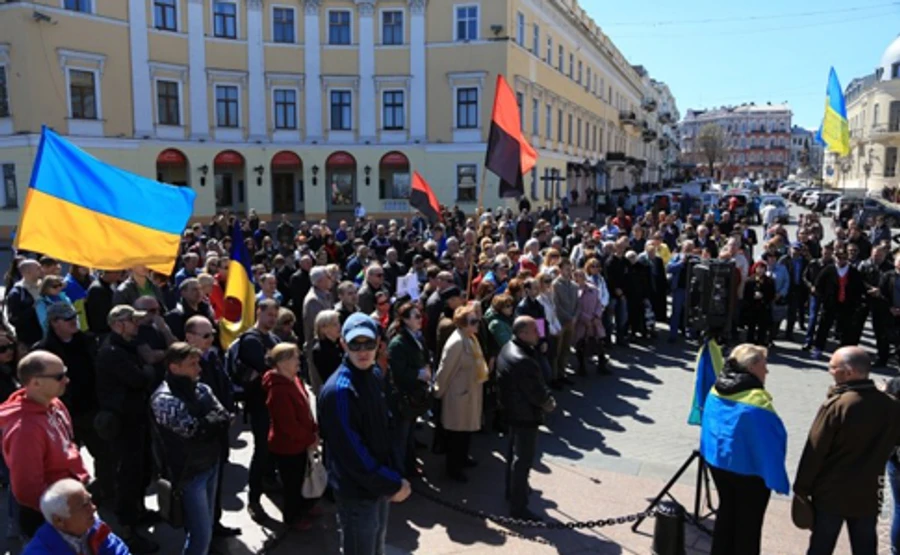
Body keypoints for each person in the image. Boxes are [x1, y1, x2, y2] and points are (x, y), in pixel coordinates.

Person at [317, 313, 411, 554]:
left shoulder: (374, 374)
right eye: (354, 344)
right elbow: (352, 454)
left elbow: (385, 428)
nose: (362, 351)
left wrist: (392, 474)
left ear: (378, 342)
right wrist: (390, 482)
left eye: (368, 343)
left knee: (376, 545)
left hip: (377, 485)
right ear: (343, 344)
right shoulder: (339, 391)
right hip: (357, 492)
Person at [793, 346, 900, 554]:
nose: (830, 371)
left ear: (849, 372)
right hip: (869, 492)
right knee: (865, 545)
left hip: (831, 494)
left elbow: (814, 452)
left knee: (821, 546)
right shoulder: (892, 407)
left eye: (833, 367)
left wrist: (802, 490)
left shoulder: (838, 406)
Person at [699, 344, 789, 555]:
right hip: (749, 474)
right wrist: (776, 477)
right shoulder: (756, 400)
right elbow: (772, 442)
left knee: (726, 513)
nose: (766, 371)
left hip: (719, 464)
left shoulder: (716, 388)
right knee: (749, 527)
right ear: (752, 367)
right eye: (764, 365)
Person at [150, 343, 230, 555]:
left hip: (211, 463)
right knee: (200, 536)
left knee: (207, 526)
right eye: (192, 364)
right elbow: (192, 430)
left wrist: (208, 423)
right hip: (189, 474)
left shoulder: (201, 388)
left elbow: (225, 417)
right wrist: (210, 423)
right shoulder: (165, 399)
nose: (199, 368)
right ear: (175, 368)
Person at [0, 351, 90, 538]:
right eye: (59, 376)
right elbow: (27, 490)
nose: (67, 380)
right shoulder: (25, 429)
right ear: (35, 383)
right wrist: (65, 516)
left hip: (71, 504)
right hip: (53, 519)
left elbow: (68, 444)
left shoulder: (55, 404)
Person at [94, 305, 159, 553]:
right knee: (128, 475)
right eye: (132, 321)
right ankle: (128, 529)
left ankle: (139, 511)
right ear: (118, 324)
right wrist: (147, 370)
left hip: (137, 418)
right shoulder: (111, 352)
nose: (137, 325)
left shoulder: (127, 346)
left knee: (143, 470)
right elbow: (140, 378)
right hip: (123, 424)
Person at [496, 316, 556, 521]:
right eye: (534, 331)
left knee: (514, 455)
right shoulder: (523, 360)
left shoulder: (508, 348)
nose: (539, 334)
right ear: (522, 334)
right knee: (523, 460)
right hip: (524, 415)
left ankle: (511, 491)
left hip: (512, 411)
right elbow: (536, 393)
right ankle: (518, 506)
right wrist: (549, 403)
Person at [230, 299, 280, 522]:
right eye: (269, 314)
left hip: (274, 402)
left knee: (273, 448)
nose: (272, 319)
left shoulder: (273, 338)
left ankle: (269, 481)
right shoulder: (252, 340)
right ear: (258, 312)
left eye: (274, 315)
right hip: (260, 404)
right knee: (261, 451)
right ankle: (254, 499)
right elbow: (265, 369)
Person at [263, 343, 320, 531]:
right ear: (282, 362)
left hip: (301, 442)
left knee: (302, 477)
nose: (298, 361)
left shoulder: (294, 379)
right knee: (292, 484)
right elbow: (288, 425)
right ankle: (292, 517)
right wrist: (309, 438)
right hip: (287, 446)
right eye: (294, 357)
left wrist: (313, 430)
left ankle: (304, 507)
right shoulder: (278, 390)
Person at [434, 304, 487, 483]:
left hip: (470, 392)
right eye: (473, 321)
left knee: (466, 432)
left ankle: (463, 458)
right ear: (463, 324)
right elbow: (445, 370)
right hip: (458, 395)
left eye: (477, 320)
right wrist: (438, 392)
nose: (477, 324)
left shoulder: (470, 338)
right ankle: (453, 468)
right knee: (456, 434)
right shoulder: (457, 342)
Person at [23, 478, 129, 555]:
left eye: (90, 501)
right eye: (84, 506)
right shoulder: (39, 551)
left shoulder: (96, 529)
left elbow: (118, 551)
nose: (93, 508)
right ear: (59, 521)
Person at [387, 303, 431, 478]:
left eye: (420, 315)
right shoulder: (398, 343)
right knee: (401, 437)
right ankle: (399, 473)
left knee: (410, 434)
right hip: (404, 397)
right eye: (416, 316)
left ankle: (409, 466)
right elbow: (398, 372)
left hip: (415, 395)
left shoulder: (417, 337)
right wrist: (419, 374)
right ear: (405, 320)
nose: (420, 319)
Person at [7, 259, 44, 348]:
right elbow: (14, 319)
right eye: (38, 268)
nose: (41, 270)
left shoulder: (43, 287)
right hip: (29, 340)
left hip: (46, 336)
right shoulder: (17, 293)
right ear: (28, 272)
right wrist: (32, 309)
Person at [309, 310, 344, 396]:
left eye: (338, 323)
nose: (339, 326)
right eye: (335, 324)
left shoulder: (338, 343)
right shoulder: (320, 350)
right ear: (323, 329)